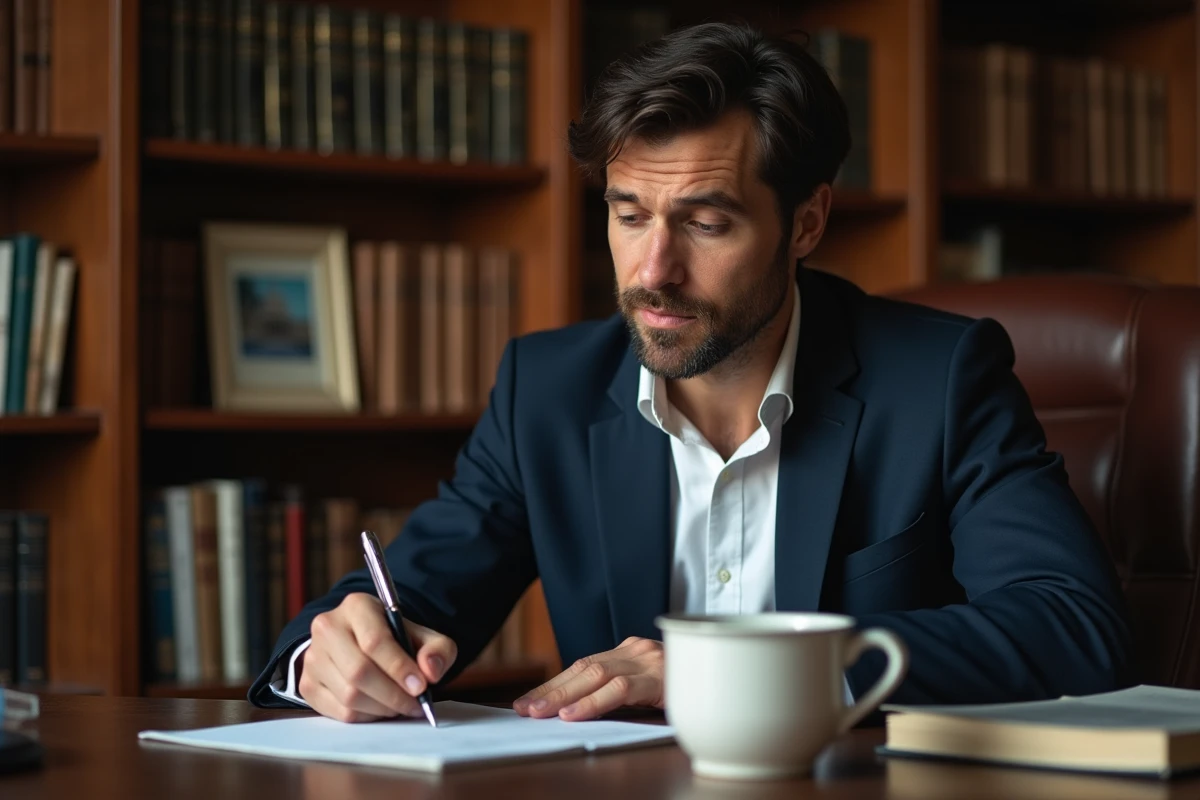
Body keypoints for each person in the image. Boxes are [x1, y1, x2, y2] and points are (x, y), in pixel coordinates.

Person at [248, 21, 1131, 723]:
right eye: (629, 214)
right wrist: (329, 658)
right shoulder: (544, 391)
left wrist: (733, 665)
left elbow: (1073, 625)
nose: (652, 270)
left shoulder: (938, 378)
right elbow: (405, 599)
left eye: (706, 224)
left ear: (807, 223)